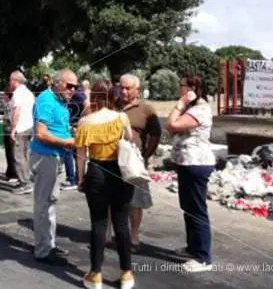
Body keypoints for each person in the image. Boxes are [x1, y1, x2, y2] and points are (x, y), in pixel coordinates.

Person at [75, 80, 135, 289]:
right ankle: (126, 273)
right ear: (113, 95)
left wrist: (81, 178)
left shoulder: (85, 122)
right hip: (120, 173)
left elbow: (81, 155)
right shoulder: (122, 117)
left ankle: (95, 274)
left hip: (97, 172)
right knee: (121, 224)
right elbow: (129, 140)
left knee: (98, 224)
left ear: (95, 97)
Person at [166, 73, 216, 273]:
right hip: (186, 162)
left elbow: (172, 125)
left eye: (182, 85)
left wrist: (180, 103)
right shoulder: (192, 109)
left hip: (197, 163)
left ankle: (203, 257)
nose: (180, 88)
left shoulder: (200, 110)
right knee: (187, 207)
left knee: (196, 209)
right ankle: (193, 247)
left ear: (192, 88)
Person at [107, 74, 161, 252]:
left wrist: (146, 155)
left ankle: (134, 238)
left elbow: (156, 133)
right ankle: (111, 234)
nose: (123, 91)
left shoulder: (146, 108)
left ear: (136, 90)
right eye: (121, 87)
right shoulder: (112, 105)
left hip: (133, 161)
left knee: (135, 201)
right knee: (111, 198)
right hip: (111, 159)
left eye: (128, 88)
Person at [30, 69, 78, 265]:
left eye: (75, 86)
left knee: (49, 202)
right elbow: (41, 133)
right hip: (46, 157)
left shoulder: (58, 100)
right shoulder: (47, 100)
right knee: (44, 204)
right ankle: (43, 250)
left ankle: (48, 244)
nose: (72, 90)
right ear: (57, 83)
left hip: (54, 157)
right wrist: (67, 142)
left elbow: (55, 126)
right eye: (69, 85)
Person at [7, 71, 35, 195]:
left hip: (20, 128)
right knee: (25, 155)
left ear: (15, 80)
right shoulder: (29, 93)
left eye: (10, 80)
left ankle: (25, 183)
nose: (9, 83)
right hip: (29, 126)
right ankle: (24, 179)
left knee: (18, 156)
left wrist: (13, 129)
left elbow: (16, 111)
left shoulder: (17, 94)